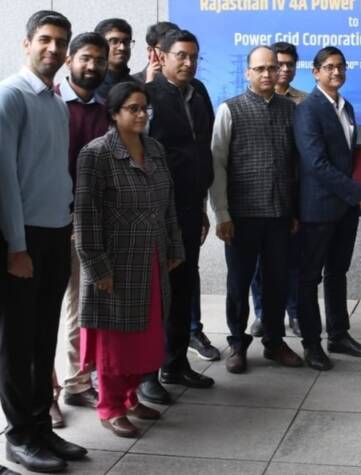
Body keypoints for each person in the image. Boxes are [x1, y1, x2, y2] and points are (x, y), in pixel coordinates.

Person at [0, 10, 88, 473]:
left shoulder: (55, 103)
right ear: (27, 43)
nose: (53, 49)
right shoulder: (10, 97)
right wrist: (16, 247)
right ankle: (18, 437)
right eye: (45, 40)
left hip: (56, 233)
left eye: (60, 42)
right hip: (23, 238)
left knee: (42, 338)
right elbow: (4, 181)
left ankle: (40, 428)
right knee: (16, 344)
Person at [75, 81, 184, 437]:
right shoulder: (96, 153)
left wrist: (174, 246)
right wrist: (97, 266)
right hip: (115, 262)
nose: (140, 115)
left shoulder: (154, 148)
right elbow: (86, 216)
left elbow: (168, 203)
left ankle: (131, 396)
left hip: (151, 256)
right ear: (114, 113)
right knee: (116, 341)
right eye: (132, 109)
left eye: (144, 108)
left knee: (145, 335)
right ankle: (110, 406)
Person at [210, 46, 302, 373]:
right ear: (247, 72)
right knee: (239, 284)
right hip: (241, 216)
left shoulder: (291, 110)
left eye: (272, 68)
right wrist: (222, 214)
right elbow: (217, 164)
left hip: (279, 215)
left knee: (277, 282)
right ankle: (237, 343)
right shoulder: (230, 109)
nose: (267, 74)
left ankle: (274, 342)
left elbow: (295, 165)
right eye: (260, 68)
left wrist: (294, 211)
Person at [294, 46, 361, 371]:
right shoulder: (308, 109)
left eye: (341, 66)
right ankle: (312, 344)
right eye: (330, 67)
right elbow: (316, 163)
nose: (336, 72)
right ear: (315, 72)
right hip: (318, 210)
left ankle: (338, 335)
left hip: (344, 209)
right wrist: (358, 193)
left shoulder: (346, 107)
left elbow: (343, 154)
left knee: (337, 273)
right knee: (309, 278)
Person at [138, 29, 215, 404]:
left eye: (194, 56)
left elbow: (203, 148)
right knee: (156, 294)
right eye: (181, 55)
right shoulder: (147, 96)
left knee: (183, 288)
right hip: (157, 211)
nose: (188, 63)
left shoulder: (198, 92)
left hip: (189, 207)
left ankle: (175, 362)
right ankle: (146, 374)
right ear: (161, 56)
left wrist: (201, 207)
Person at [54, 31, 111, 423]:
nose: (92, 66)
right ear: (69, 60)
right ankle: (45, 392)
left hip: (90, 223)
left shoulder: (105, 110)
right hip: (48, 220)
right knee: (43, 312)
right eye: (85, 58)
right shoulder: (53, 103)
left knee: (80, 306)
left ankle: (76, 382)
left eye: (99, 60)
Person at [249, 41, 307, 339]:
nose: (282, 70)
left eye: (288, 65)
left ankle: (295, 313)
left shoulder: (303, 102)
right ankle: (261, 313)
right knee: (259, 265)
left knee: (293, 262)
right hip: (257, 199)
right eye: (277, 64)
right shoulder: (246, 104)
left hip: (291, 194)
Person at [93, 18, 139, 98]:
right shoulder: (89, 86)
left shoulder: (138, 87)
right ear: (99, 45)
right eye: (114, 41)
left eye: (126, 42)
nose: (122, 48)